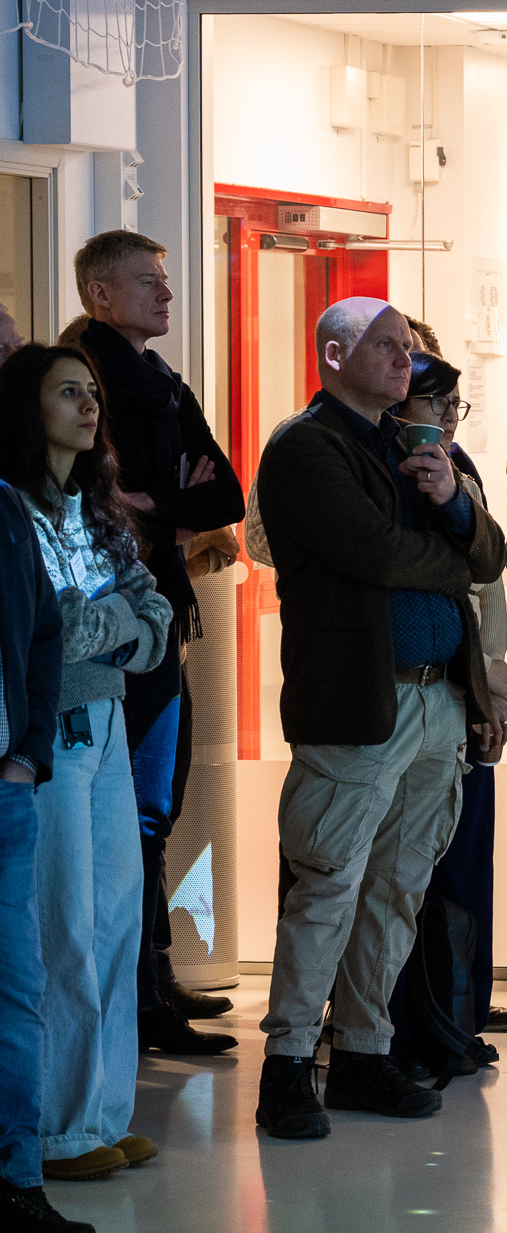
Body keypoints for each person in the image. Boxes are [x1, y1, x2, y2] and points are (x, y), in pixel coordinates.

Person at [251, 298, 507, 1140]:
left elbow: (490, 552)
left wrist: (457, 505)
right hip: (358, 702)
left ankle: (365, 1051)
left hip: (436, 700)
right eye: (388, 345)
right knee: (328, 885)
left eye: (407, 347)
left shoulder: (415, 444)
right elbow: (376, 554)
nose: (406, 359)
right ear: (334, 355)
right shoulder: (304, 447)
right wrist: (449, 557)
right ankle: (288, 1065)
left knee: (398, 887)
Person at [0, 344, 173, 1184]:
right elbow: (56, 627)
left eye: (91, 391)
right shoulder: (13, 508)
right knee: (63, 925)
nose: (87, 403)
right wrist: (119, 622)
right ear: (27, 407)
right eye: (67, 391)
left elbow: (157, 614)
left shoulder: (95, 507)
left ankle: (103, 1112)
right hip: (53, 728)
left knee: (115, 920)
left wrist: (115, 622)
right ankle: (59, 1129)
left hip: (108, 723)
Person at [70, 231, 245, 1057]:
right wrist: (164, 503)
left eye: (165, 281)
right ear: (101, 295)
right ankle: (137, 1002)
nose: (168, 295)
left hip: (165, 612)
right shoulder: (90, 379)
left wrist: (155, 504)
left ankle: (156, 974)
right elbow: (105, 504)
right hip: (117, 634)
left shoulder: (166, 387)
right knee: (133, 812)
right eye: (149, 282)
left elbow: (226, 495)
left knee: (158, 806)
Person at [384, 348, 507, 1056]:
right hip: (393, 689)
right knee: (390, 874)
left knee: (456, 858)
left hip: (465, 681)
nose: (446, 418)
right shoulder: (359, 460)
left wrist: (493, 684)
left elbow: (489, 572)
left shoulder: (458, 469)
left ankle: (455, 1007)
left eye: (454, 405)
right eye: (433, 402)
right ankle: (385, 1026)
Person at [0, 396, 88, 1230]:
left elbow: (46, 632)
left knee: (18, 992)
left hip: (6, 785)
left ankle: (17, 1183)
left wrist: (27, 751)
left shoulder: (5, 509)